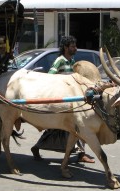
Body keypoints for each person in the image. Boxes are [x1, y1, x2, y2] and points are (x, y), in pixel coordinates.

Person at [31, 35, 95, 163]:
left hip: (71, 100)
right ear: (66, 48)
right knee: (57, 129)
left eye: (74, 46)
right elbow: (50, 77)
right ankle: (37, 147)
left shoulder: (73, 62)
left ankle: (80, 153)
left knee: (74, 127)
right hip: (61, 100)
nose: (75, 48)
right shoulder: (60, 61)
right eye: (72, 46)